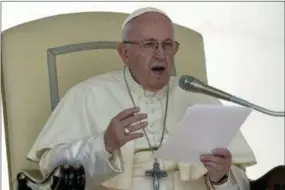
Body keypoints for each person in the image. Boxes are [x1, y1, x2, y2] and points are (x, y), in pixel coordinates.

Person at [27, 7, 257, 190]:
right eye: (149, 45)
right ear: (125, 53)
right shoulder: (87, 95)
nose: (161, 54)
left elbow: (240, 182)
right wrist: (105, 144)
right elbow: (50, 168)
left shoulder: (199, 97)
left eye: (167, 45)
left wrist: (221, 177)